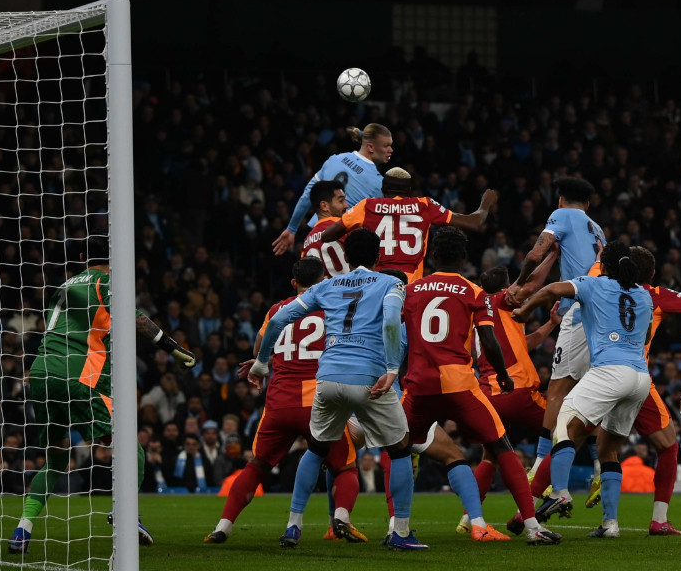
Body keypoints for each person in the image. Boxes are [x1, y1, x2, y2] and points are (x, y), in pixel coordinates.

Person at [9, 240, 198, 553]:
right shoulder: (107, 283)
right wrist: (174, 349)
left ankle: (22, 529)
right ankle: (127, 516)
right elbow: (138, 320)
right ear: (115, 257)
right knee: (129, 444)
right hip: (79, 375)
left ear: (83, 257)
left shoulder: (64, 285)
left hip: (41, 374)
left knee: (56, 459)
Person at [249, 229, 425, 551]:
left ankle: (293, 525)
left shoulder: (327, 285)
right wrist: (391, 368)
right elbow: (389, 320)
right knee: (400, 448)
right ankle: (400, 531)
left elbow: (279, 319)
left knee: (316, 449)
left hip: (327, 377)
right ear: (377, 257)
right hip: (369, 377)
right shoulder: (390, 282)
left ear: (344, 257)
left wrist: (262, 363)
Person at [399, 228, 561, 545]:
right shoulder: (475, 293)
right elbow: (488, 338)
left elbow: (398, 336)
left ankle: (399, 529)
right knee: (503, 448)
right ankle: (532, 527)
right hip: (462, 385)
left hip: (419, 386)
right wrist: (502, 373)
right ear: (463, 258)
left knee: (399, 451)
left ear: (433, 257)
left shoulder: (411, 290)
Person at [205, 257, 364, 544]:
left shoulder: (277, 309)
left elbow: (260, 348)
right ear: (325, 279)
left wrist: (261, 362)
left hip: (280, 401)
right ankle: (340, 520)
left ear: (294, 283)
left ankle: (222, 527)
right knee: (345, 466)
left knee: (257, 465)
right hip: (319, 401)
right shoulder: (333, 308)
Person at [512, 241, 651, 540]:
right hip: (640, 377)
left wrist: (524, 311)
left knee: (562, 422)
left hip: (609, 371)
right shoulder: (644, 295)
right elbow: (646, 333)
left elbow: (551, 290)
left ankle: (560, 491)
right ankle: (610, 524)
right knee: (608, 449)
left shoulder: (594, 284)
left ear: (606, 265)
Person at [506, 177, 605, 504]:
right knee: (589, 394)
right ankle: (598, 465)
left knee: (558, 391)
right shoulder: (598, 229)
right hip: (602, 315)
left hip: (578, 310)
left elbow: (537, 252)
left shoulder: (562, 216)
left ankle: (539, 471)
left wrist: (519, 284)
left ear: (561, 200)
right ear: (588, 204)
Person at [462, 265, 559, 534]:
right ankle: (540, 495)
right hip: (518, 390)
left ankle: (468, 517)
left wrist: (551, 324)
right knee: (568, 433)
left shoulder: (476, 313)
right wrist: (551, 254)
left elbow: (521, 346)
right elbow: (531, 284)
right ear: (506, 288)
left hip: (488, 395)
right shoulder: (503, 301)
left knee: (490, 455)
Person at [319, 168, 497, 282]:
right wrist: (485, 204)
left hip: (376, 285)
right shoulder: (424, 205)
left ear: (383, 189)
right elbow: (474, 223)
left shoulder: (367, 206)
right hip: (411, 287)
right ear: (409, 191)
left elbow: (327, 236)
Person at [272, 124, 393, 256]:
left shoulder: (334, 159)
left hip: (315, 237)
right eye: (386, 145)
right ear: (370, 147)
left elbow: (308, 194)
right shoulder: (378, 183)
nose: (391, 150)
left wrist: (291, 229)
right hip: (345, 246)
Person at [301, 180, 351, 277]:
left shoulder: (306, 243)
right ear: (324, 206)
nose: (346, 205)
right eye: (341, 201)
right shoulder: (347, 226)